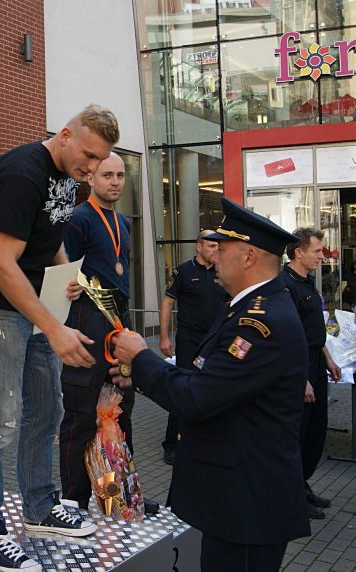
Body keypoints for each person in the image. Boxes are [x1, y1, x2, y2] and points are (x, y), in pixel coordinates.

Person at [0, 105, 119, 572]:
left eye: (100, 160)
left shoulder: (69, 177)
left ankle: (41, 508)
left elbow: (50, 238)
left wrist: (67, 274)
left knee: (49, 408)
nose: (91, 168)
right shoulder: (22, 173)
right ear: (65, 135)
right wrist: (53, 326)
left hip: (37, 307)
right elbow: (1, 265)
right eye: (88, 155)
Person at [111, 197, 310, 572]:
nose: (214, 256)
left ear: (248, 256)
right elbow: (206, 378)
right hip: (234, 500)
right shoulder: (244, 307)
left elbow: (198, 397)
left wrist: (141, 358)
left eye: (223, 249)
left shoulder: (260, 324)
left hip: (248, 510)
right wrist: (136, 373)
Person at [58, 152, 159, 515]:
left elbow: (121, 276)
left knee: (120, 412)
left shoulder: (123, 222)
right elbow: (61, 275)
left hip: (119, 322)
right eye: (107, 175)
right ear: (91, 179)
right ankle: (73, 500)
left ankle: (116, 494)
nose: (115, 181)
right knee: (81, 415)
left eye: (119, 175)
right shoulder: (78, 219)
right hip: (86, 324)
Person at [282, 228, 341, 519]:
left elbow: (314, 329)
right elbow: (289, 338)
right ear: (298, 252)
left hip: (316, 360)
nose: (322, 255)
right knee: (299, 433)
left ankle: (302, 485)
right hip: (299, 366)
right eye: (317, 251)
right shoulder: (285, 285)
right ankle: (291, 498)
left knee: (316, 431)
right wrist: (301, 378)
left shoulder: (307, 282)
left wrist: (328, 358)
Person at [159, 230, 227, 465]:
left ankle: (206, 440)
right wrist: (164, 336)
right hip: (189, 341)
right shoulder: (183, 272)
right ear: (199, 247)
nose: (216, 250)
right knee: (182, 389)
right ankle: (172, 444)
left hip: (216, 342)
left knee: (214, 389)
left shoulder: (223, 272)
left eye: (218, 247)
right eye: (211, 246)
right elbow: (167, 302)